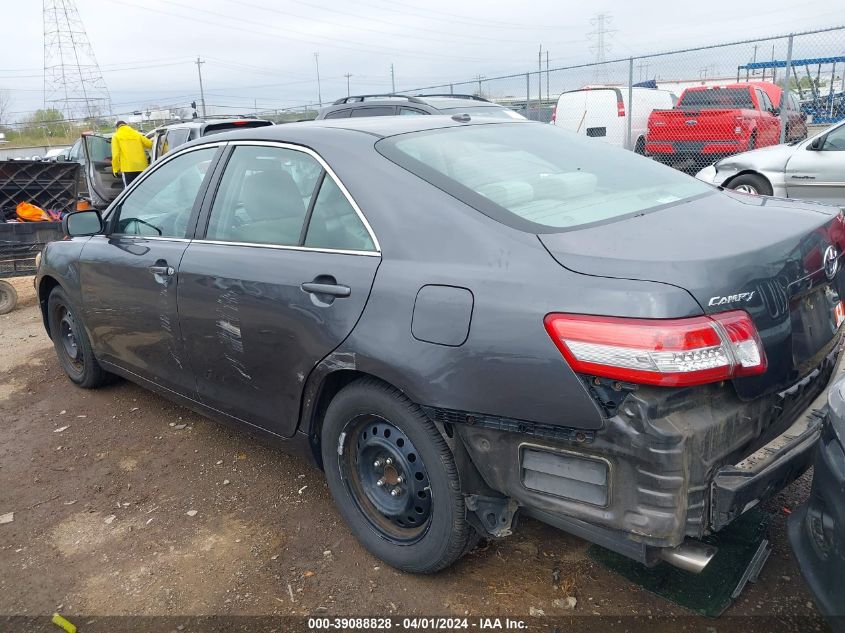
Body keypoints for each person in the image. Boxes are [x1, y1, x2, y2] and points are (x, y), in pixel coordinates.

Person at [111, 121, 152, 186]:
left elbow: (115, 154)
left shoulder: (116, 136)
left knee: (129, 190)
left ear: (117, 128)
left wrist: (116, 169)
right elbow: (150, 144)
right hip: (142, 166)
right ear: (127, 125)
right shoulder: (136, 133)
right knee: (144, 188)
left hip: (128, 168)